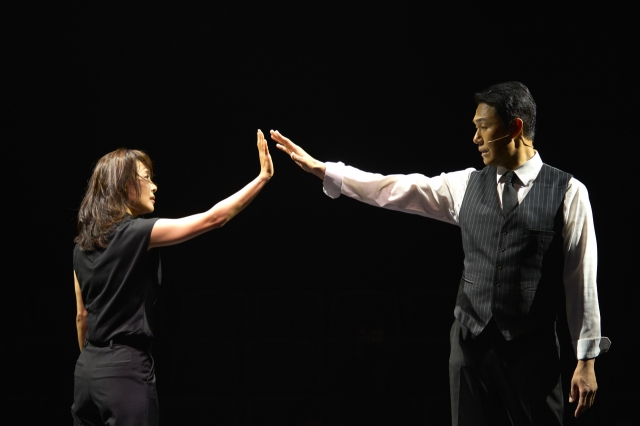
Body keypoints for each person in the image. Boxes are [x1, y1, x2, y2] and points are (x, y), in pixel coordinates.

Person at [270, 82, 609, 426]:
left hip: (530, 349)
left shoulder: (568, 192)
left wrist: (587, 360)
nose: (475, 139)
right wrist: (326, 170)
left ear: (515, 127)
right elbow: (393, 188)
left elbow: (581, 280)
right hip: (470, 342)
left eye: (483, 127)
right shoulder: (466, 185)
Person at [72, 130, 273, 425]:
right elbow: (214, 218)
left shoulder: (81, 245)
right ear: (126, 183)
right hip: (125, 371)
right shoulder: (137, 232)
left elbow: (81, 317)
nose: (154, 186)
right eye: (146, 177)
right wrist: (262, 178)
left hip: (86, 371)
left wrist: (94, 363)